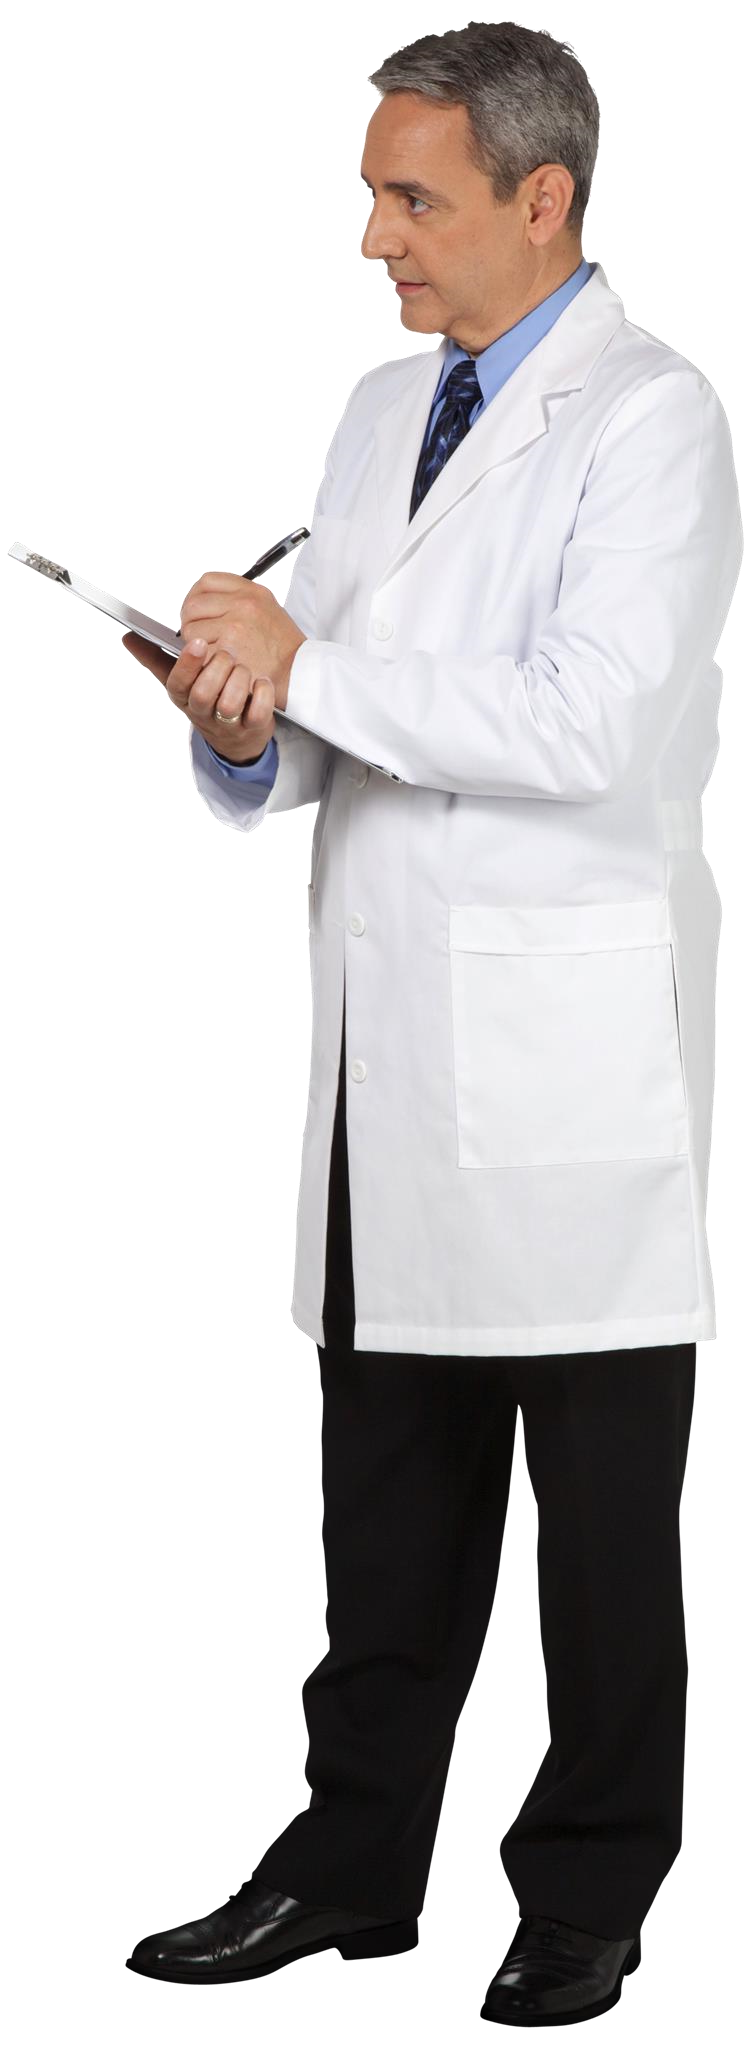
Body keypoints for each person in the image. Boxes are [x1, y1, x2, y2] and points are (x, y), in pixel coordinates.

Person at [125, 25, 742, 2023]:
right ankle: (349, 1866)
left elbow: (584, 723)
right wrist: (242, 721)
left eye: (415, 198)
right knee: (382, 1517)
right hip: (386, 1055)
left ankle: (590, 1885)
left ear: (541, 199)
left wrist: (309, 667)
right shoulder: (382, 406)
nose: (375, 236)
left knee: (600, 1534)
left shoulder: (654, 418)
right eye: (375, 194)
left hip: (565, 1065)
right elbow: (337, 717)